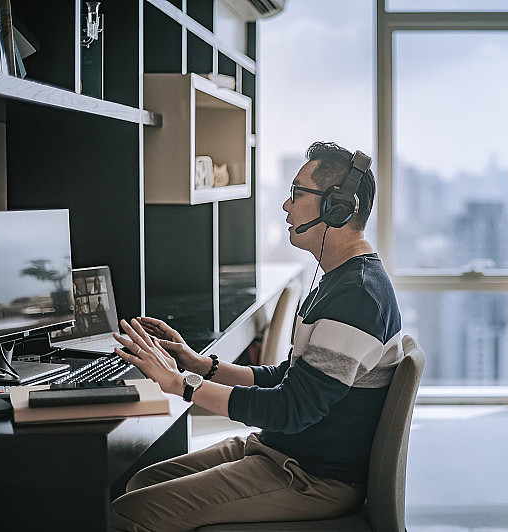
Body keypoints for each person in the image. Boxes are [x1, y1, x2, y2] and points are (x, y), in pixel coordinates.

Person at [110, 141, 403, 530]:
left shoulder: (358, 298)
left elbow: (291, 408)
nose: (286, 205)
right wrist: (205, 366)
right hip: (283, 451)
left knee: (130, 512)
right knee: (144, 481)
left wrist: (181, 384)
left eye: (297, 194)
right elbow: (291, 377)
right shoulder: (340, 280)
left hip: (310, 478)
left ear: (336, 208)